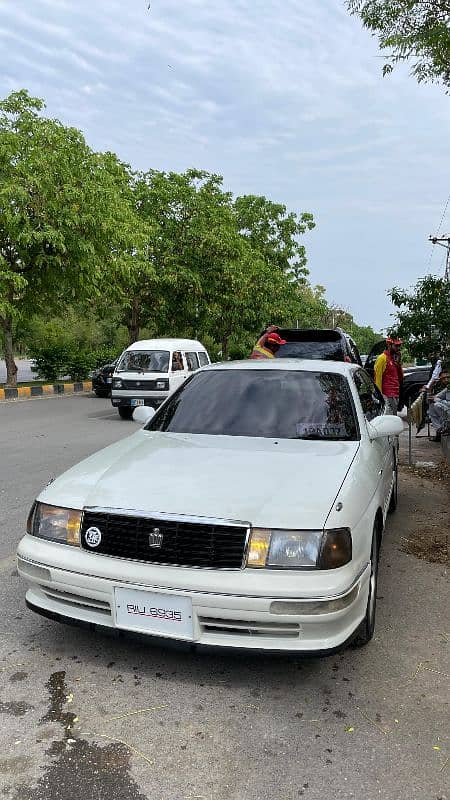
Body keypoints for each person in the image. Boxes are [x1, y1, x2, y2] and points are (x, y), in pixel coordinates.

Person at [374, 337, 403, 415]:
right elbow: (377, 378)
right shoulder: (382, 358)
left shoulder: (393, 358)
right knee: (389, 419)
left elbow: (400, 377)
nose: (398, 348)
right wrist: (379, 396)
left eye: (399, 346)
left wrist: (398, 363)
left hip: (395, 393)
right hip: (387, 395)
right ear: (389, 345)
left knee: (394, 417)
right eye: (396, 346)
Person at [427, 372, 450, 442]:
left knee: (437, 405)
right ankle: (439, 429)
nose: (446, 380)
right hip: (446, 409)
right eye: (443, 379)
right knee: (432, 406)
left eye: (448, 377)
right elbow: (436, 396)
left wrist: (436, 400)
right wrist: (430, 386)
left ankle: (445, 427)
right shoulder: (447, 387)